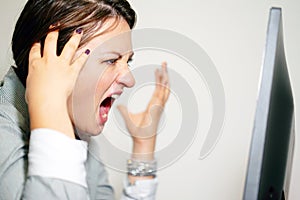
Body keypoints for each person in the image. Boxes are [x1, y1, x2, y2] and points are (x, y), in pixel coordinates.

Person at [0, 0, 170, 199]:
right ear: (49, 57)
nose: (129, 79)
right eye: (111, 60)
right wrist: (50, 104)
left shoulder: (80, 137)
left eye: (127, 62)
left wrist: (143, 147)